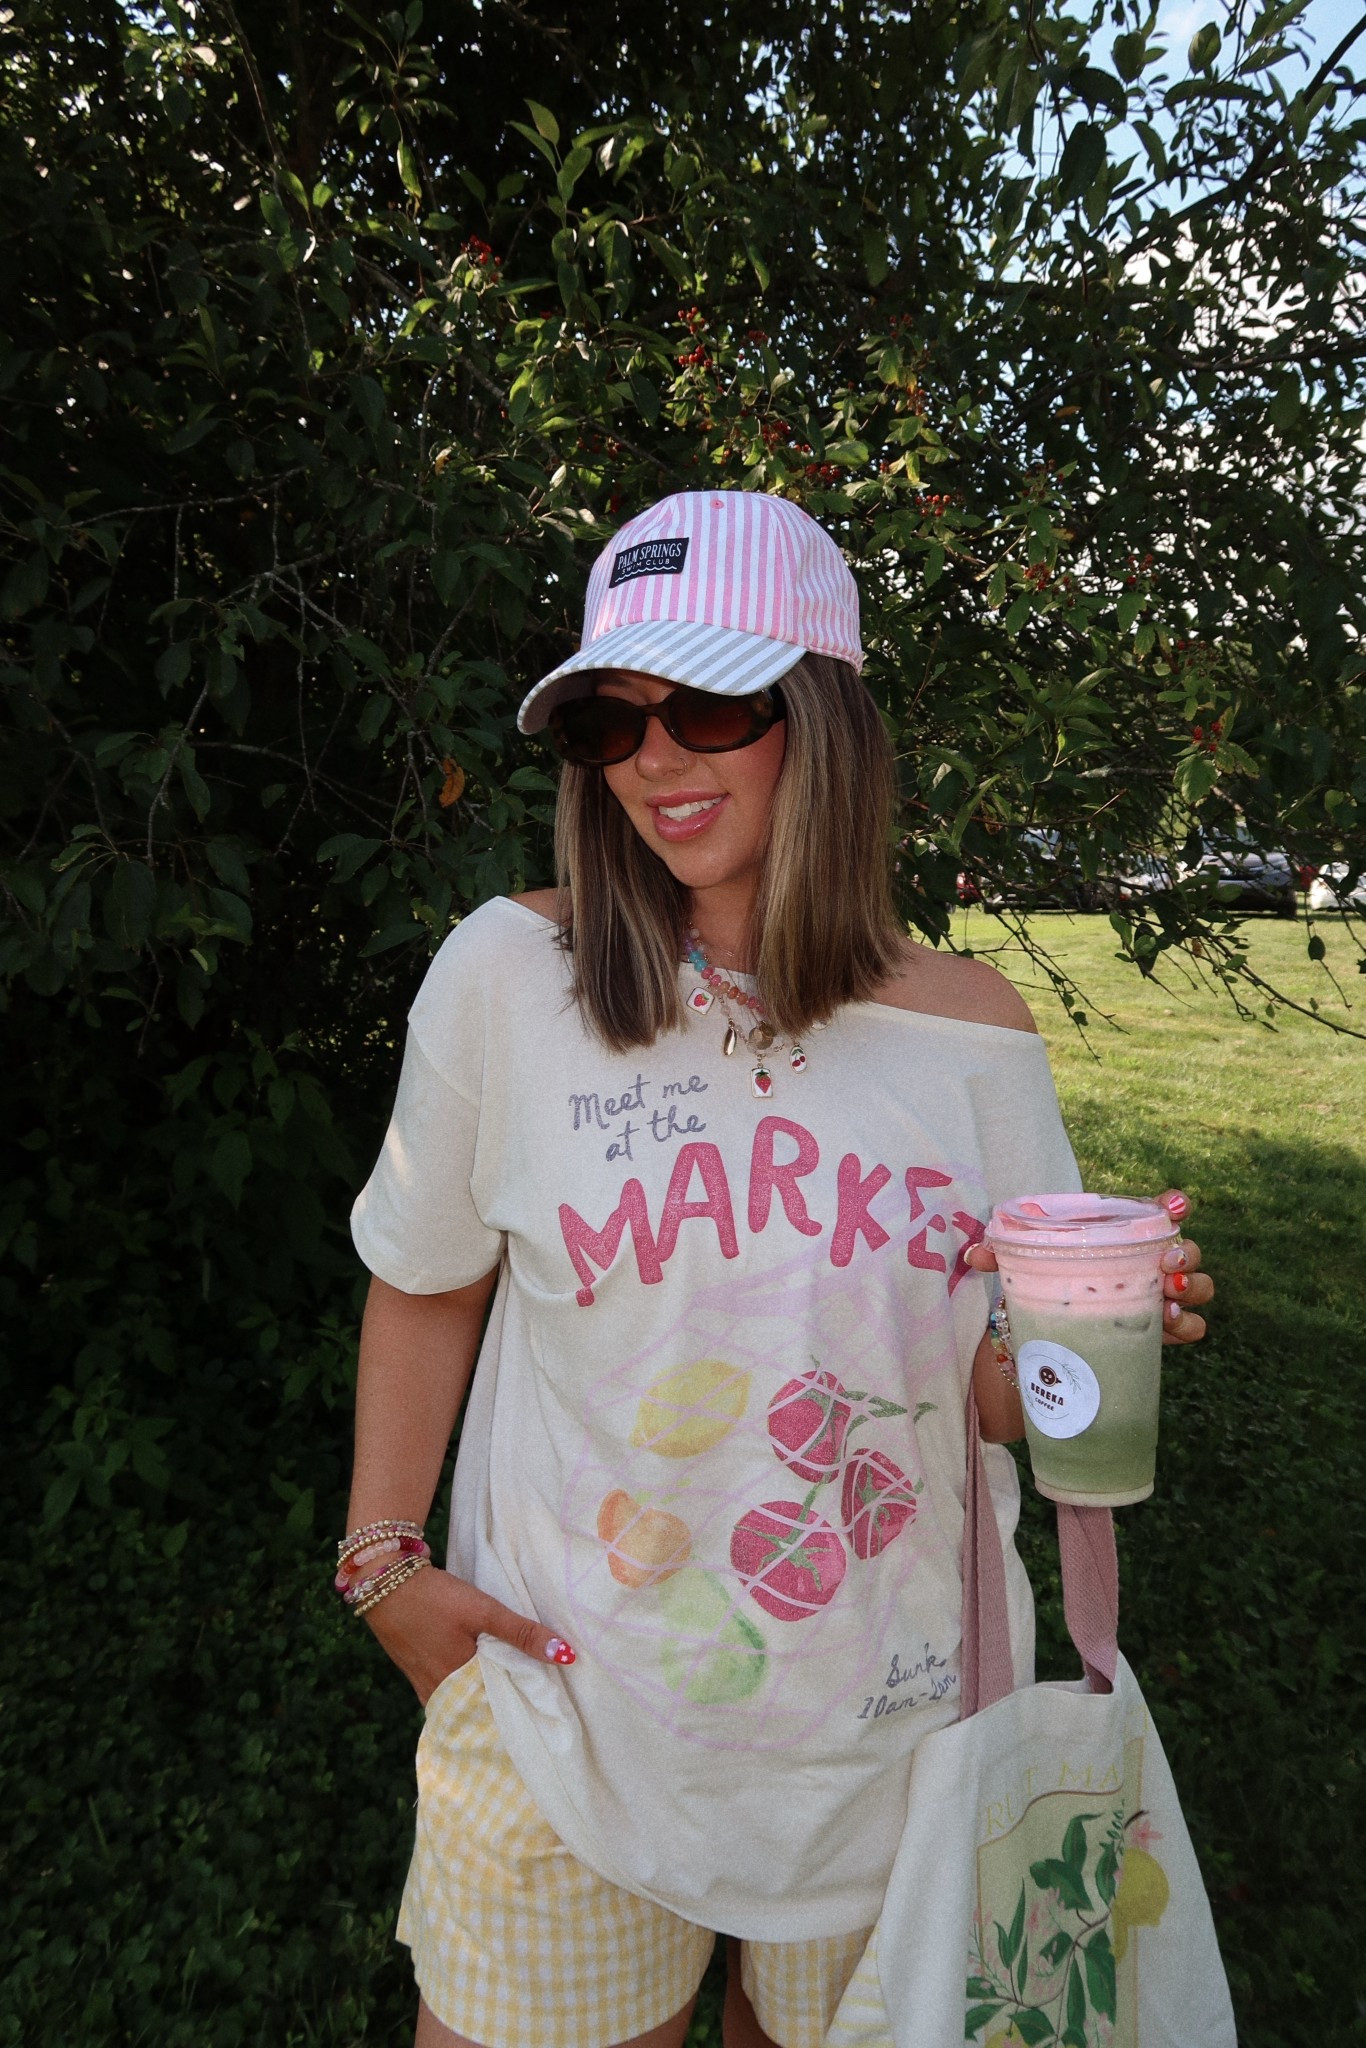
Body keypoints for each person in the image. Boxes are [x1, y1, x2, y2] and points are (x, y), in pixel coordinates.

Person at [343, 490, 1213, 2048]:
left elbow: (979, 1392)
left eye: (712, 706)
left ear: (824, 722)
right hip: (564, 1717)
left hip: (886, 1749)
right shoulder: (505, 977)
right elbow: (425, 1277)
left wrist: (1103, 1335)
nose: (658, 758)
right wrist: (383, 1566)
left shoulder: (969, 1034)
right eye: (614, 722)